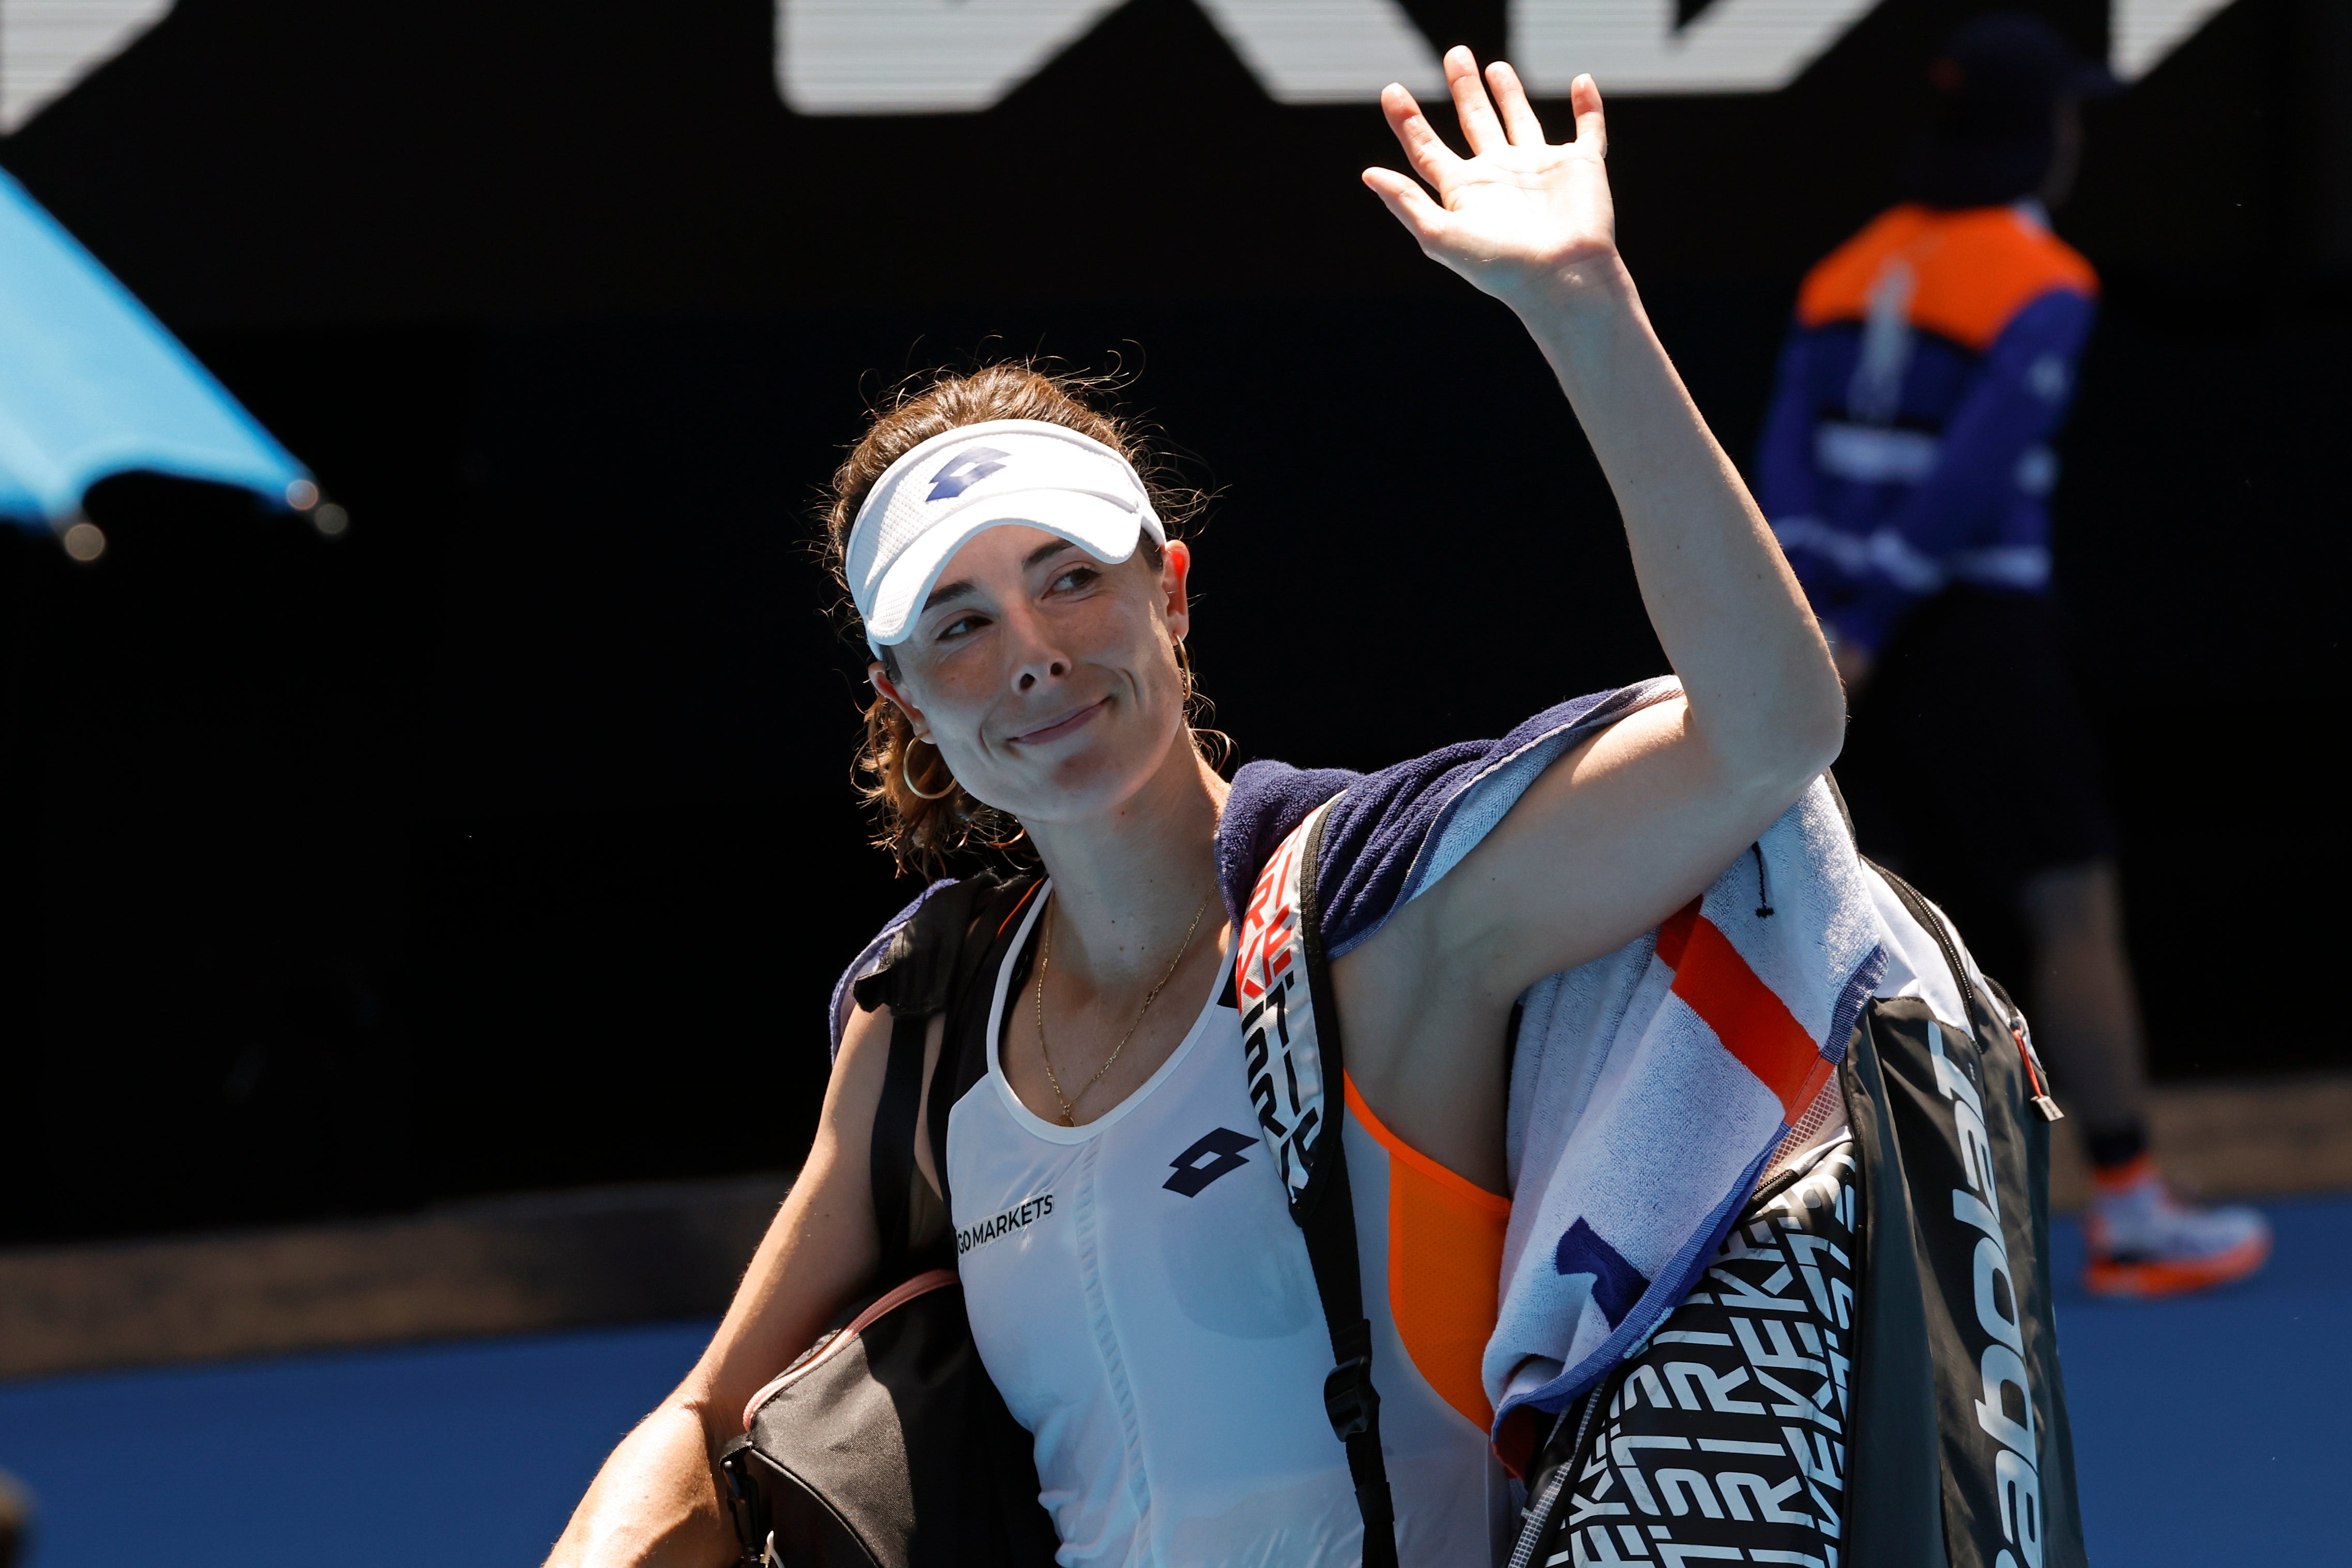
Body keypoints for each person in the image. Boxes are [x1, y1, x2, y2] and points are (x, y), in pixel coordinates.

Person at [548, 49, 1853, 1567]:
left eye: (1070, 580)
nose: (1031, 654)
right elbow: (714, 1423)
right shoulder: (922, 1020)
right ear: (903, 697)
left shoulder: (1378, 922)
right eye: (959, 624)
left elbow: (1768, 731)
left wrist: (1584, 312)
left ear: (1168, 595)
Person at [1754, 13, 2268, 1298]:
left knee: (1851, 923)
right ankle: (2133, 1202)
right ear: (2045, 136)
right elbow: (1969, 479)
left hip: (1841, 644)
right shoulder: (2047, 284)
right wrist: (1868, 623)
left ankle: (1844, 1220)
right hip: (1970, 635)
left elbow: (1780, 473)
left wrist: (1811, 617)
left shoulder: (1842, 270)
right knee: (2069, 903)